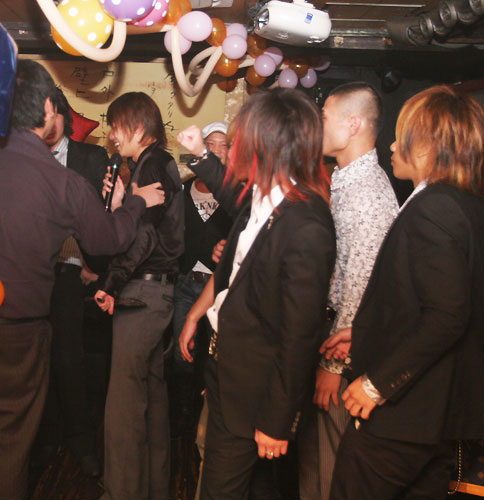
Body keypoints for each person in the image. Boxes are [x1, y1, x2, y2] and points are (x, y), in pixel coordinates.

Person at [0, 59, 165, 500]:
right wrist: (135, 202)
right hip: (18, 339)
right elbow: (109, 239)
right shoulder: (62, 182)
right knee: (7, 454)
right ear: (47, 109)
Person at [177, 88, 336, 499]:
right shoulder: (265, 197)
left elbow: (299, 335)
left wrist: (276, 422)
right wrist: (200, 155)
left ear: (265, 144)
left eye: (241, 140)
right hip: (228, 372)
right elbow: (232, 196)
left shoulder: (307, 224)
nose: (235, 150)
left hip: (256, 392)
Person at [329, 86, 484, 500]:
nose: (394, 146)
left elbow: (448, 315)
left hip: (406, 417)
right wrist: (365, 331)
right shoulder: (467, 204)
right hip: (439, 419)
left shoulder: (434, 207)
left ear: (429, 146)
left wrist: (376, 384)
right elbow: (429, 298)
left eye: (403, 137)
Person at [299, 82, 399, 500]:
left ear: (353, 124)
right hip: (329, 340)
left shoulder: (368, 193)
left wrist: (332, 366)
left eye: (324, 117)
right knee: (315, 462)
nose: (316, 126)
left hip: (343, 356)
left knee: (331, 466)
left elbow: (361, 286)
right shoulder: (344, 181)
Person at [94, 91, 184, 500]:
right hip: (155, 290)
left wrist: (111, 283)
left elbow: (144, 236)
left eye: (116, 126)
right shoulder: (155, 163)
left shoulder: (152, 164)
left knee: (124, 406)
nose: (112, 136)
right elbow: (147, 229)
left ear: (138, 126)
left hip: (143, 290)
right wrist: (120, 204)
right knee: (151, 399)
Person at [34, 88, 108, 476]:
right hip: (32, 272)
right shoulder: (23, 158)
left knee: (69, 358)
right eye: (39, 115)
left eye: (52, 114)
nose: (46, 122)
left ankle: (81, 442)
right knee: (38, 359)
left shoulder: (92, 158)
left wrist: (96, 264)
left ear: (64, 117)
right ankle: (47, 438)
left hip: (74, 269)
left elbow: (103, 213)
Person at [170, 121, 232, 437]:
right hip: (185, 285)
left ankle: (204, 424)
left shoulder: (237, 196)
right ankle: (182, 420)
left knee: (213, 359)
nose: (218, 150)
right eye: (212, 143)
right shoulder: (182, 191)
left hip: (220, 290)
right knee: (182, 357)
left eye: (224, 144)